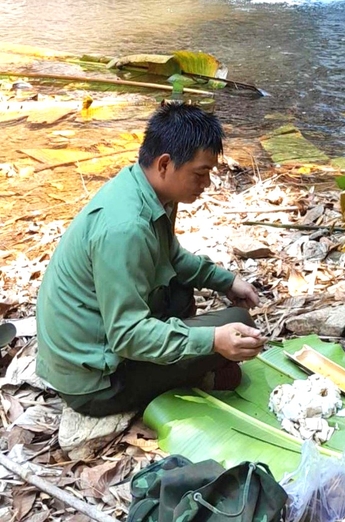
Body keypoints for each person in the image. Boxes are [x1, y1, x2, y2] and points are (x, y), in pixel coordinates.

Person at [36, 103, 267, 417]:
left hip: (91, 346)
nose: (207, 184)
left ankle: (183, 362)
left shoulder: (147, 189)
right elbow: (127, 335)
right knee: (236, 324)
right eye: (200, 173)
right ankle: (188, 374)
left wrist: (225, 281)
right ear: (165, 164)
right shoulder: (126, 229)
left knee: (181, 290)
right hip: (94, 384)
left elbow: (169, 256)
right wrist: (212, 341)